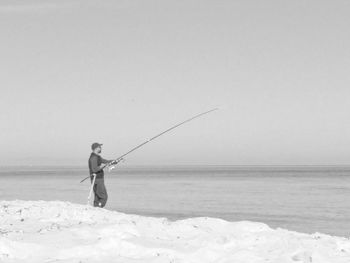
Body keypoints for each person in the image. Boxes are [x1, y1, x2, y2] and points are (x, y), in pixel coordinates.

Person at [88, 143, 114, 208]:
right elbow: (94, 169)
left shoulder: (97, 157)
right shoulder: (93, 158)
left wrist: (114, 161)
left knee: (97, 197)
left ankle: (95, 208)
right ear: (96, 148)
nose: (101, 148)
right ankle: (99, 207)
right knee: (104, 197)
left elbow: (105, 161)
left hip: (98, 179)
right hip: (97, 179)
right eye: (100, 147)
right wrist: (103, 166)